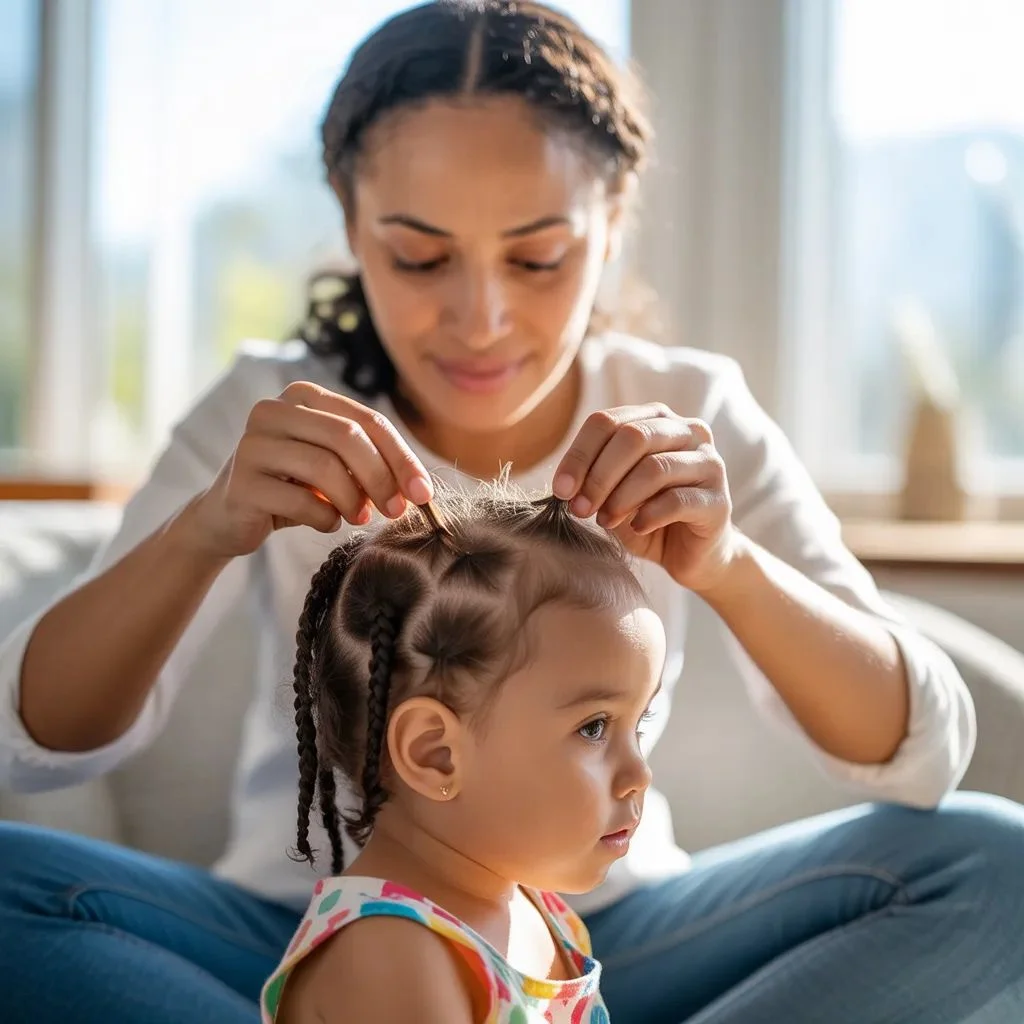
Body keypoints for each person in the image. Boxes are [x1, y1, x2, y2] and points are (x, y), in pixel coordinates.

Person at [1, 1, 1023, 1022]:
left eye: (536, 258)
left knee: (991, 868)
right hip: (300, 931)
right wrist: (201, 532)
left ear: (613, 222)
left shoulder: (690, 408)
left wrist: (729, 565)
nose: (480, 318)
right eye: (418, 256)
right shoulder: (263, 410)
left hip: (600, 933)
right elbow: (33, 742)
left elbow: (925, 750)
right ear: (351, 221)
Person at [262, 483, 662, 1023]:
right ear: (435, 754)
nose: (639, 773)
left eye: (640, 723)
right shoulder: (391, 954)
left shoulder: (538, 909)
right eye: (593, 727)